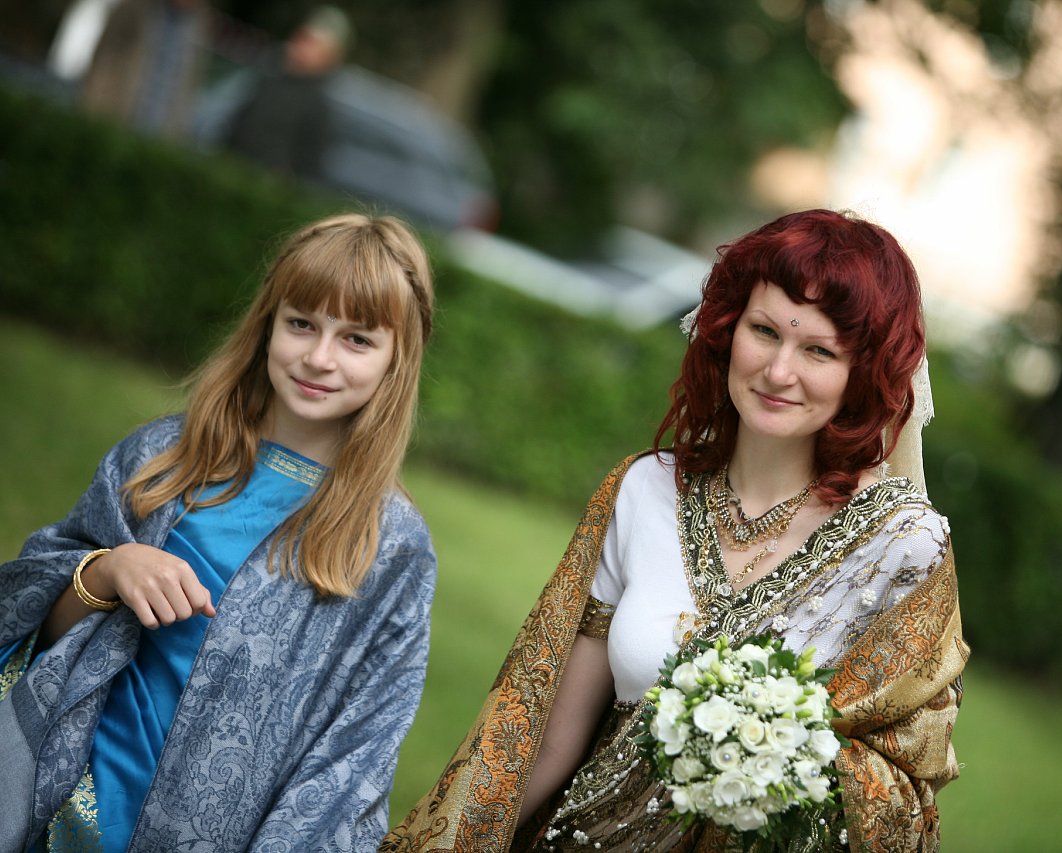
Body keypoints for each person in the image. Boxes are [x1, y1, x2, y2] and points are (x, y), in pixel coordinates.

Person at [381, 208, 967, 852]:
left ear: (865, 372)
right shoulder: (645, 489)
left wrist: (780, 754)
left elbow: (909, 786)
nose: (778, 371)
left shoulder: (902, 546)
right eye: (764, 331)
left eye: (818, 351)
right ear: (727, 328)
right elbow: (538, 740)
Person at [0, 212, 438, 851]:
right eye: (302, 324)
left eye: (357, 339)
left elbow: (353, 763)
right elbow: (24, 618)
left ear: (397, 358)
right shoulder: (163, 458)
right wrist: (108, 570)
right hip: (55, 808)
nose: (319, 358)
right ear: (268, 323)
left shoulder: (391, 547)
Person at [220, 5, 352, 182]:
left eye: (315, 46)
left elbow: (309, 166)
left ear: (330, 57)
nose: (304, 48)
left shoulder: (317, 105)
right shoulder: (269, 76)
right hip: (230, 170)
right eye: (304, 39)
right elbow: (238, 121)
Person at [76, 0, 213, 138]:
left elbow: (190, 86)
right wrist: (93, 110)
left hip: (158, 135)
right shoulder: (136, 9)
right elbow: (103, 62)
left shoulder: (199, 25)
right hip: (115, 121)